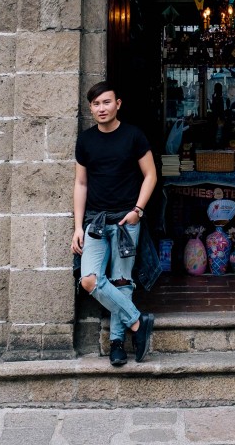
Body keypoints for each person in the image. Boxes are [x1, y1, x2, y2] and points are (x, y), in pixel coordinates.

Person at [72, 81, 157, 366]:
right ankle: (137, 322)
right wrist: (77, 226)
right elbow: (81, 183)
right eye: (96, 104)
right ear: (91, 108)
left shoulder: (133, 136)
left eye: (106, 102)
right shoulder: (85, 141)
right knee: (89, 280)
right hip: (95, 222)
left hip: (126, 221)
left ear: (118, 104)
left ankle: (117, 344)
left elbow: (151, 176)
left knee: (122, 282)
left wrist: (138, 210)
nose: (101, 108)